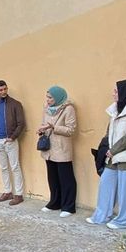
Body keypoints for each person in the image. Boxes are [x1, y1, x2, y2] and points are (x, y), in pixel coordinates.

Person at [87, 80, 126, 229]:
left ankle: (123, 220)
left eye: (116, 91)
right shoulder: (116, 109)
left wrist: (114, 150)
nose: (113, 94)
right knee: (105, 184)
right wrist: (106, 148)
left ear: (125, 92)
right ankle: (101, 215)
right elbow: (109, 131)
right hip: (112, 155)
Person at [38, 85, 78, 217]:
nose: (48, 100)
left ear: (58, 97)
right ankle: (54, 202)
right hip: (49, 148)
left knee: (66, 178)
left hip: (62, 148)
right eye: (47, 97)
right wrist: (41, 130)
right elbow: (44, 124)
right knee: (52, 177)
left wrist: (54, 127)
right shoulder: (46, 108)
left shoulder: (68, 109)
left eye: (50, 97)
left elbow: (71, 129)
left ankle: (68, 206)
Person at [0, 80, 26, 205]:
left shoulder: (15, 104)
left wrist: (13, 137)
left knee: (15, 167)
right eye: (1, 90)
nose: (4, 91)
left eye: (5, 89)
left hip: (10, 140)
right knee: (3, 168)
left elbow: (21, 123)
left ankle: (19, 194)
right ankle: (7, 192)